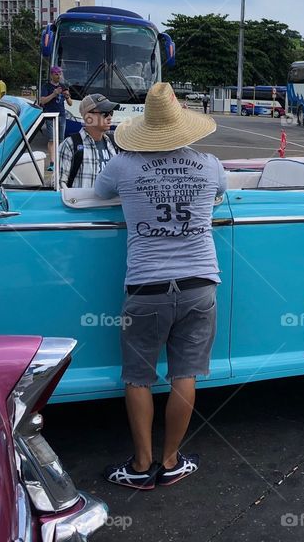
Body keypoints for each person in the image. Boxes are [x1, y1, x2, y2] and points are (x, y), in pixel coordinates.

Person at [96, 82, 225, 490]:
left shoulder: (123, 164)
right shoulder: (209, 164)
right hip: (200, 283)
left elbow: (99, 192)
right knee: (184, 374)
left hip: (146, 286)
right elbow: (222, 193)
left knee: (138, 378)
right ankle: (170, 462)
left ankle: (140, 466)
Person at [59, 93, 116, 188]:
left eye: (111, 113)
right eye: (105, 113)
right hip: (82, 203)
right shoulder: (70, 144)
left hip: (109, 203)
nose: (110, 117)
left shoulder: (113, 143)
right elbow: (59, 184)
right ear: (88, 118)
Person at [40, 66, 72, 170]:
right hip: (50, 115)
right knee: (52, 139)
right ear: (51, 75)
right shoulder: (46, 86)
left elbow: (70, 103)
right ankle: (52, 163)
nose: (58, 76)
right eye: (56, 74)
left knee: (61, 140)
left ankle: (60, 161)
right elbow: (42, 101)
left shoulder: (63, 86)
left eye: (60, 74)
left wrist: (67, 96)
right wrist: (54, 94)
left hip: (62, 115)